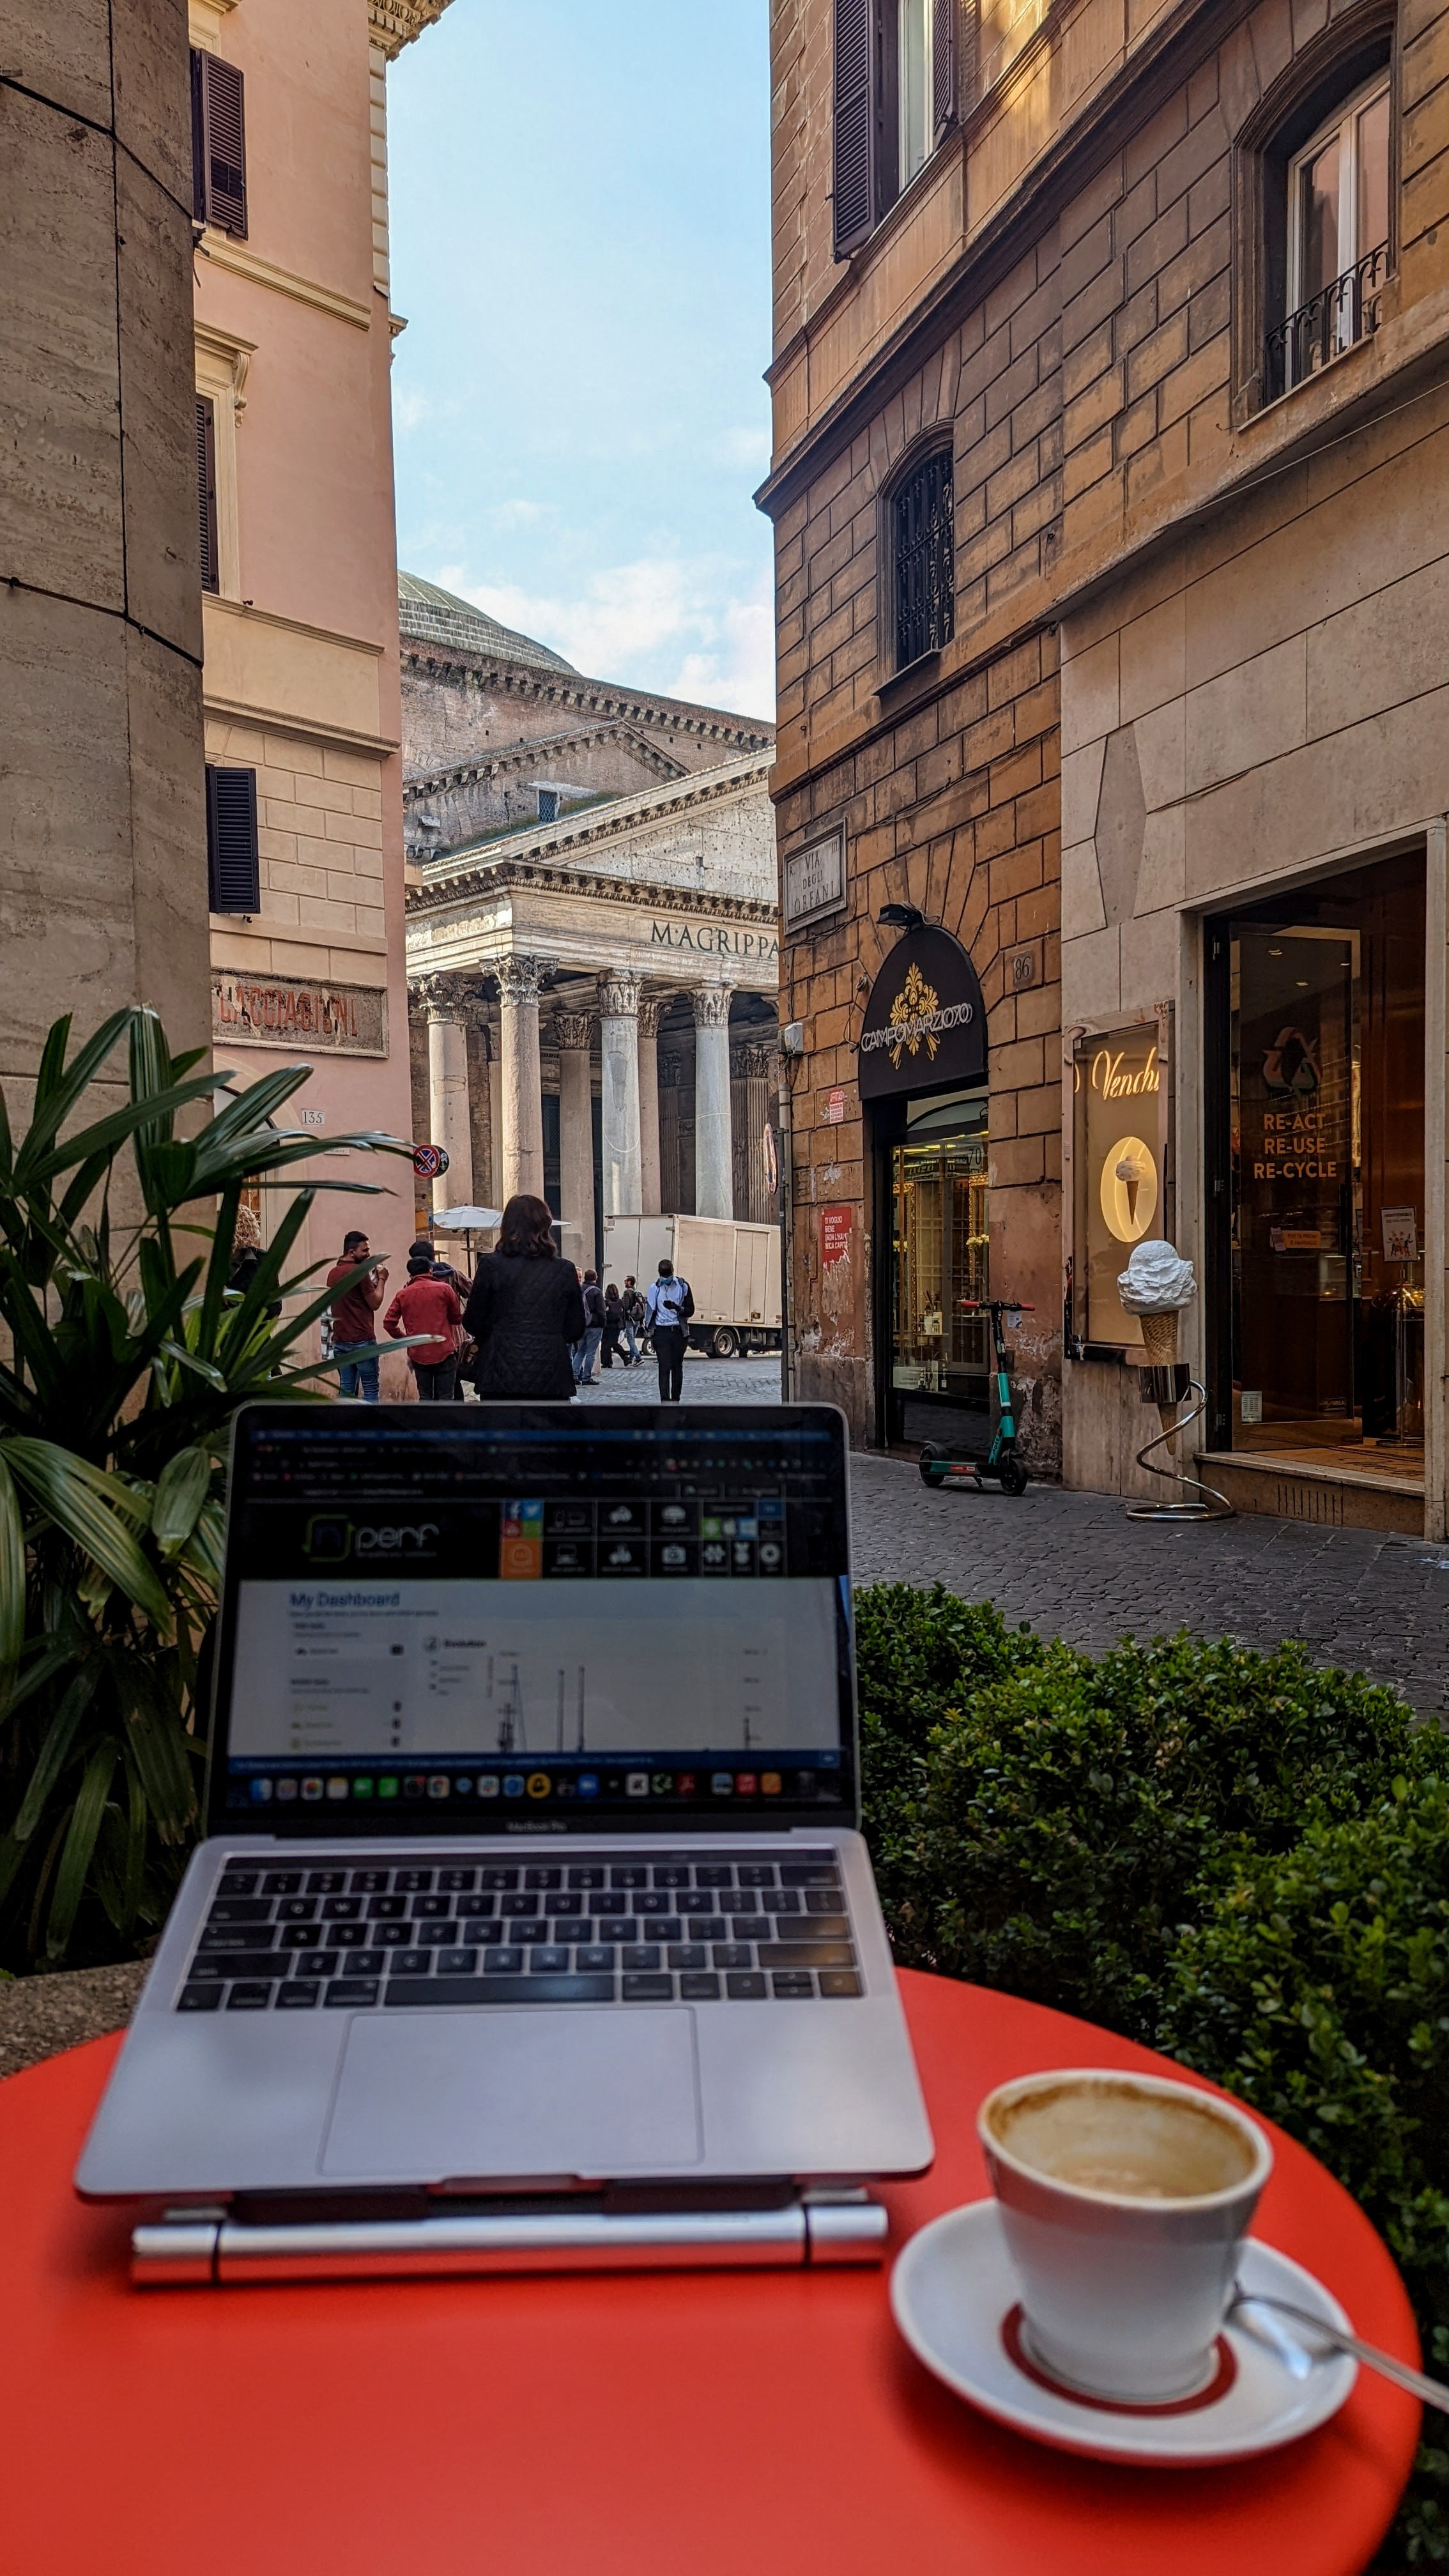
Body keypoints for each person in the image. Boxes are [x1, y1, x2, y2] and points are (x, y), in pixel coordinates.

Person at [462, 1193, 585, 1400]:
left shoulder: (491, 1266)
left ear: (507, 1226)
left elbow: (473, 1323)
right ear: (545, 1225)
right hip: (550, 1373)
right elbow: (575, 1329)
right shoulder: (564, 1270)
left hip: (499, 1374)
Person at [383, 1247, 463, 1401]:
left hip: (418, 1353)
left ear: (411, 1275)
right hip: (445, 1351)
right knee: (446, 1397)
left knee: (425, 1396)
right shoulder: (445, 1290)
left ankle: (425, 1424)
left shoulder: (403, 1294)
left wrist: (406, 1339)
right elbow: (456, 1319)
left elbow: (389, 1323)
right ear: (431, 1270)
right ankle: (445, 1425)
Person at [326, 1229, 387, 1402]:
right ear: (352, 1253)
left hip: (340, 1341)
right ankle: (369, 1428)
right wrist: (382, 1279)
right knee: (370, 1389)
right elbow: (375, 1303)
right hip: (363, 1341)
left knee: (346, 1389)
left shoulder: (333, 1273)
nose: (369, 1254)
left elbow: (352, 1299)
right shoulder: (359, 1273)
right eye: (365, 1251)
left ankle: (345, 1427)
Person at [645, 1257, 693, 1403]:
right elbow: (649, 1311)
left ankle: (676, 1399)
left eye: (668, 1275)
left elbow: (690, 1310)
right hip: (661, 1331)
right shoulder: (654, 1289)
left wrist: (677, 1308)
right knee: (664, 1366)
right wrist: (650, 1331)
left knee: (677, 1366)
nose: (666, 1278)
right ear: (659, 1273)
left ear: (673, 1271)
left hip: (678, 1331)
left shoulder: (683, 1286)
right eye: (663, 1275)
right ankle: (665, 1400)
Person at [573, 1269, 606, 1386]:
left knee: (580, 1352)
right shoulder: (597, 1291)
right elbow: (601, 1311)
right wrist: (603, 1323)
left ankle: (574, 1375)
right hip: (595, 1325)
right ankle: (587, 1377)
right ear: (595, 1278)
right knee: (591, 1353)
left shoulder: (579, 1290)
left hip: (582, 1325)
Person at [620, 1275, 645, 1367]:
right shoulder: (637, 1292)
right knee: (633, 1339)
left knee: (630, 1339)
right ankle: (631, 1359)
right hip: (637, 1319)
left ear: (629, 1282)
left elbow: (626, 1307)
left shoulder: (627, 1292)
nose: (624, 1282)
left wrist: (622, 1301)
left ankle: (638, 1357)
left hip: (630, 1319)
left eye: (626, 1281)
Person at [601, 1281, 624, 1369]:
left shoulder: (606, 1302)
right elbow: (623, 1313)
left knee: (606, 1344)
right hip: (617, 1325)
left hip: (608, 1325)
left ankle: (607, 1362)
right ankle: (624, 1356)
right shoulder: (620, 1301)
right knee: (613, 1343)